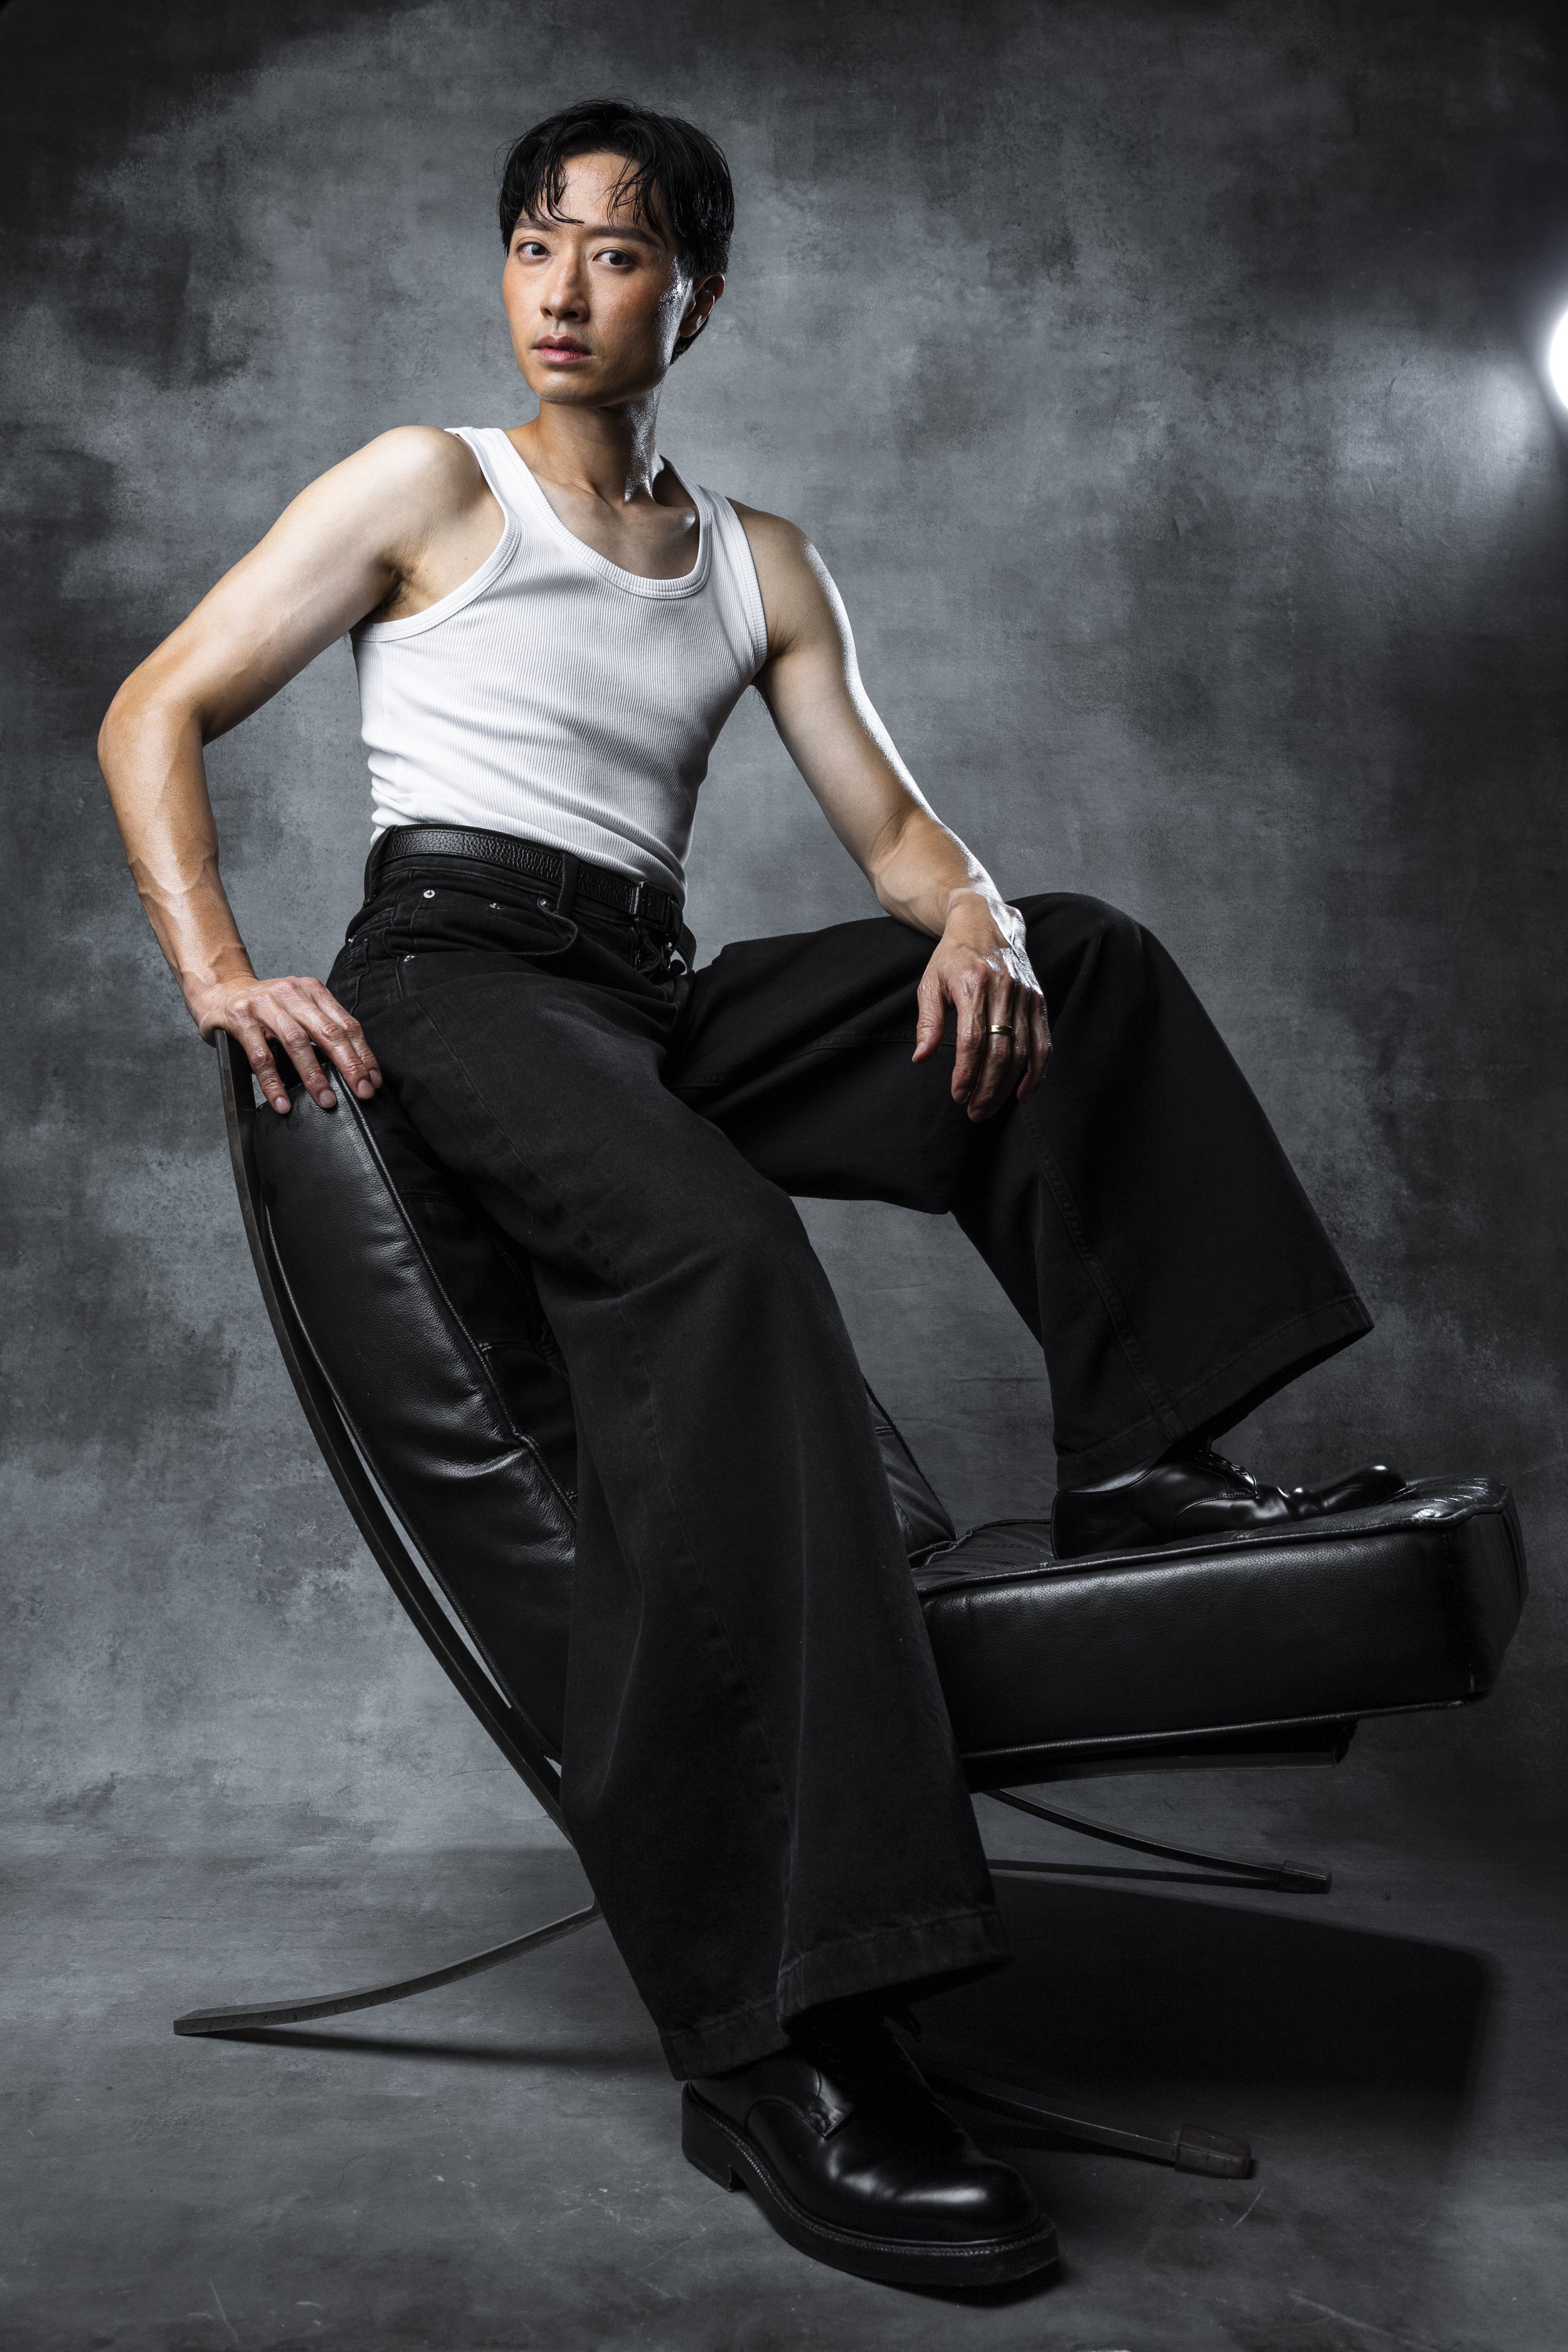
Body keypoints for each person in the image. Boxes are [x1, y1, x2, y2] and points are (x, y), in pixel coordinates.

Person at [100, 98, 1396, 2290]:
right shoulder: (433, 485)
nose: (566, 287)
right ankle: (788, 2039)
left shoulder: (760, 559)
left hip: (646, 986)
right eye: (536, 243)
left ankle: (1152, 1461)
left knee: (1070, 957)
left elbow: (899, 836)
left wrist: (969, 916)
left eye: (618, 254)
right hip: (458, 973)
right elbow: (159, 704)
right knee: (723, 1250)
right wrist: (222, 969)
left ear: (696, 290)